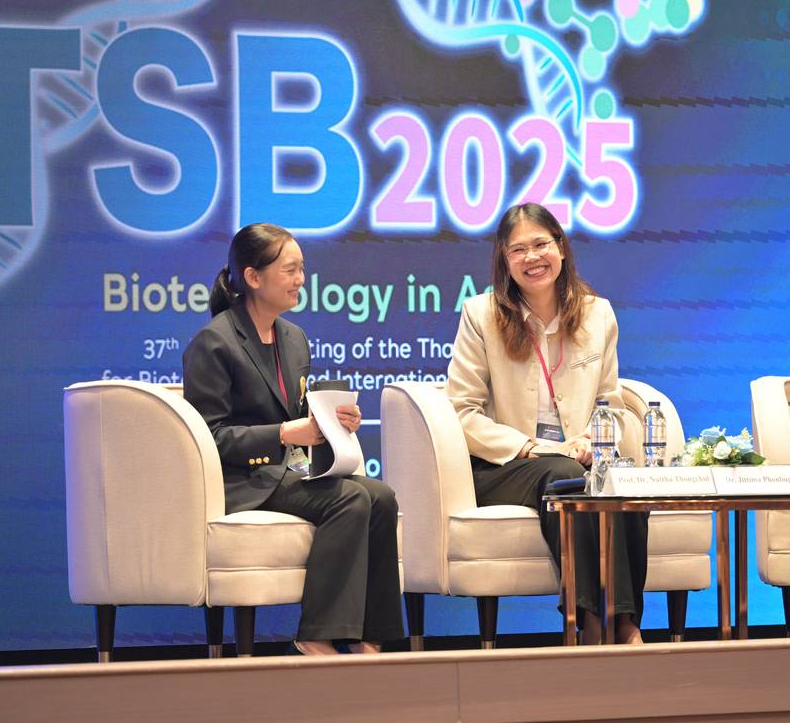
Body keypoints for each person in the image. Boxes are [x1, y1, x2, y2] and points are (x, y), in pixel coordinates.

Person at [182, 223, 403, 655]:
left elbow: (299, 413)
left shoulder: (293, 338)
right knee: (349, 499)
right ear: (253, 276)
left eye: (302, 269)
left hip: (292, 470)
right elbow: (209, 437)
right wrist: (285, 433)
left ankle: (370, 638)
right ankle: (316, 634)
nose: (301, 279)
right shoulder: (214, 342)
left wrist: (334, 420)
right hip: (244, 480)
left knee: (381, 496)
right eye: (290, 270)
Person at [446, 202, 648, 645]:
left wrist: (595, 439)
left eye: (540, 244)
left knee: (624, 482)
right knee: (563, 473)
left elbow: (610, 403)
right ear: (504, 259)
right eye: (518, 250)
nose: (532, 258)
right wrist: (533, 448)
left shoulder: (598, 314)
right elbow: (461, 411)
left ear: (561, 246)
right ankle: (590, 622)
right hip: (506, 466)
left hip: (578, 457)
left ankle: (625, 621)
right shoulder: (481, 315)